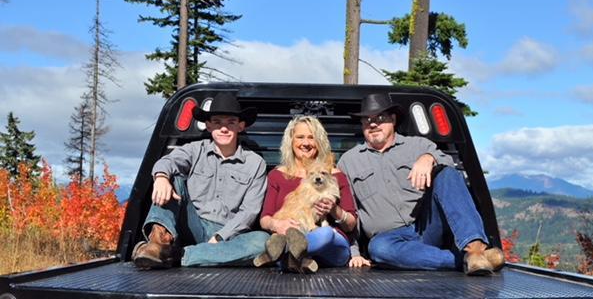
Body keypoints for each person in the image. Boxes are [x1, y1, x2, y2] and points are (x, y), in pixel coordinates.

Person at [338, 93, 505, 275]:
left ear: (393, 120)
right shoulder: (348, 161)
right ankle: (470, 260)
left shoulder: (418, 145)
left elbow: (449, 166)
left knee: (447, 173)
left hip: (427, 227)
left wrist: (429, 158)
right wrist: (353, 253)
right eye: (367, 120)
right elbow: (348, 209)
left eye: (380, 118)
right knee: (379, 248)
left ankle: (475, 249)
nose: (373, 124)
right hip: (390, 239)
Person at [132, 92, 269, 268]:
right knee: (172, 178)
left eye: (231, 122)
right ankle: (158, 243)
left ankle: (175, 255)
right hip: (192, 225)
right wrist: (161, 177)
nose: (224, 128)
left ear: (241, 126)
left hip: (229, 235)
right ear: (208, 125)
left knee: (263, 241)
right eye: (217, 122)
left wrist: (220, 237)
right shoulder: (194, 150)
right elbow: (168, 161)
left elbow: (249, 211)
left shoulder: (255, 163)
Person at [255, 116, 358, 273]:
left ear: (319, 142)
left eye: (312, 137)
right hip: (293, 232)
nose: (306, 143)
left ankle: (286, 256)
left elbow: (351, 224)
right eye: (300, 137)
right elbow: (265, 219)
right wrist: (277, 225)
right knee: (266, 239)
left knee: (325, 234)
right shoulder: (276, 175)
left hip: (329, 247)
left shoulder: (336, 175)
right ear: (291, 141)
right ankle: (297, 260)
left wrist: (334, 210)